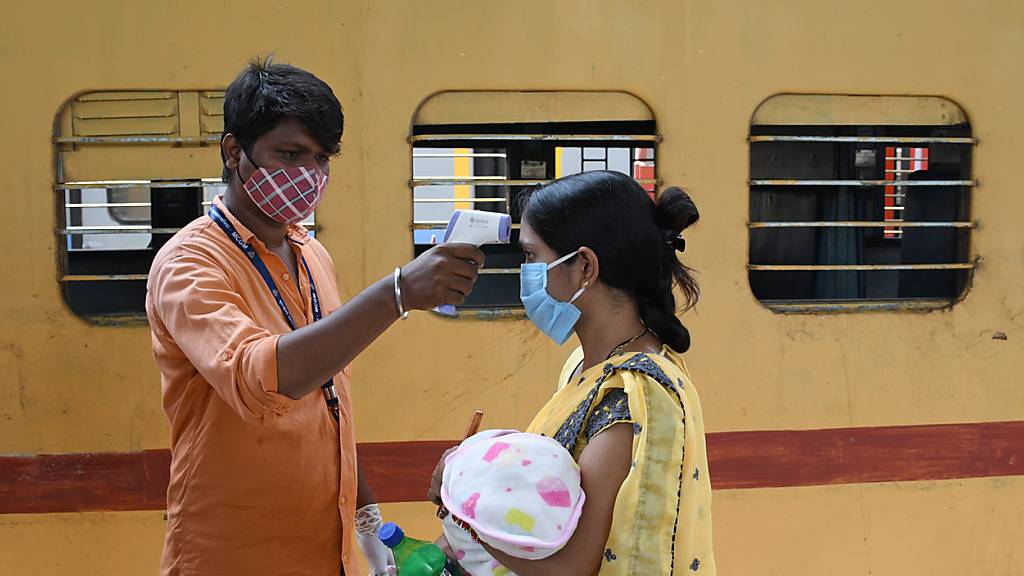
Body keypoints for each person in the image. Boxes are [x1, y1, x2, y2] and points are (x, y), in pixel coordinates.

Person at [145, 58, 484, 576]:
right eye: (290, 153)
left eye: (322, 159)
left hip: (326, 550)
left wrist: (367, 519)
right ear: (234, 152)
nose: (309, 175)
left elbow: (330, 402)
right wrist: (395, 295)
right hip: (233, 554)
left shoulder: (311, 255)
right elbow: (259, 380)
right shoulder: (190, 263)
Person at [430, 171, 716, 575]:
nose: (524, 272)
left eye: (531, 256)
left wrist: (462, 506)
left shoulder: (632, 399)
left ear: (584, 267)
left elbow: (571, 567)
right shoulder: (586, 367)